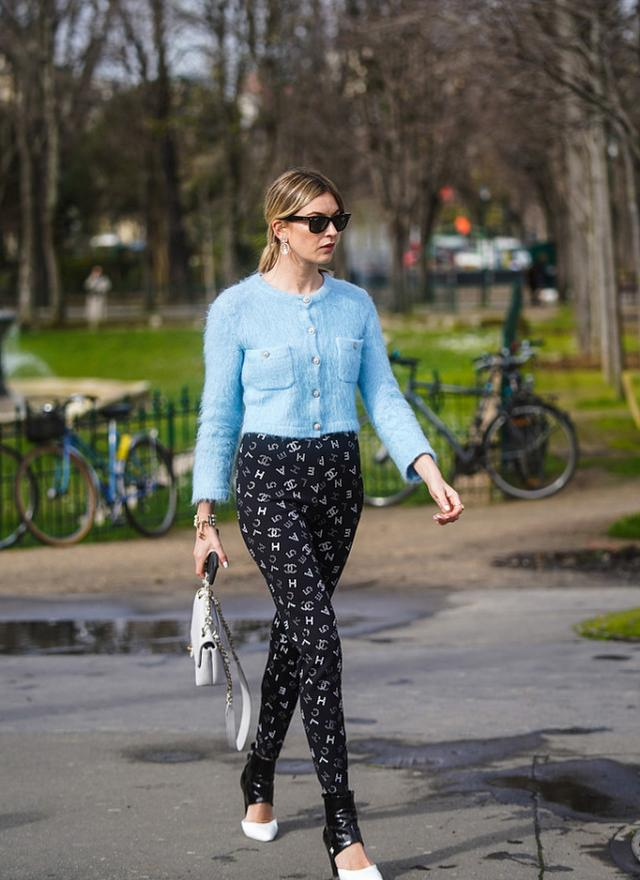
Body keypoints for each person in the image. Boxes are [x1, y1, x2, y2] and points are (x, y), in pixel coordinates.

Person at [191, 168, 463, 880]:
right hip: (268, 484)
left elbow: (385, 396)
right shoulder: (236, 310)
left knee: (296, 634)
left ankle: (259, 774)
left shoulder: (355, 306)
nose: (332, 231)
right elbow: (218, 417)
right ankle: (342, 826)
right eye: (317, 221)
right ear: (280, 228)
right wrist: (205, 517)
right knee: (319, 634)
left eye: (338, 219)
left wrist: (428, 470)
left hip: (339, 486)